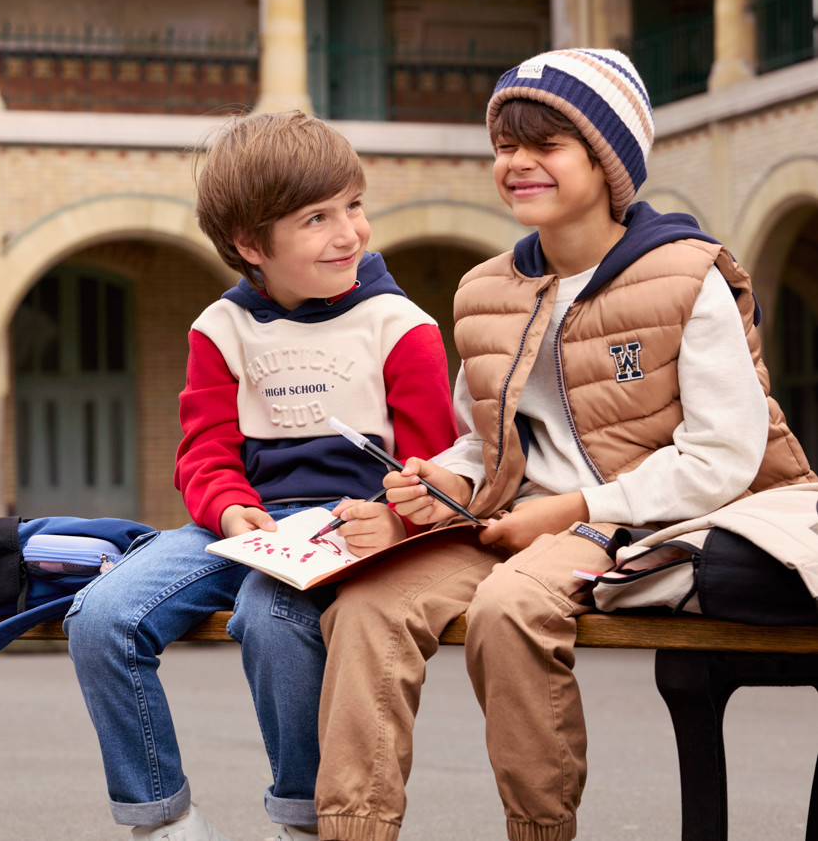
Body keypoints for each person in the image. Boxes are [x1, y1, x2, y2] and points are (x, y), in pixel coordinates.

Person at [312, 48, 817, 841]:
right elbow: (481, 444)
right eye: (505, 146)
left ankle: (540, 832)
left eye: (544, 145)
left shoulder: (688, 277)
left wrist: (571, 510)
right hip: (513, 519)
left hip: (647, 520)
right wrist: (430, 485)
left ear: (606, 159)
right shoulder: (484, 291)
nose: (516, 163)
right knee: (368, 604)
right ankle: (352, 829)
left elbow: (723, 457)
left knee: (512, 609)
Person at [63, 110, 457, 841]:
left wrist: (394, 516)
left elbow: (435, 465)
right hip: (247, 525)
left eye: (354, 205)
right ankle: (162, 820)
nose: (349, 233)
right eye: (316, 219)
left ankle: (302, 820)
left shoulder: (402, 326)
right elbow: (204, 451)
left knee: (271, 618)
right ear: (251, 245)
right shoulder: (220, 328)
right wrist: (231, 508)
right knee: (98, 618)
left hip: (352, 529)